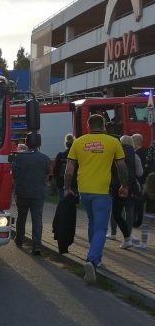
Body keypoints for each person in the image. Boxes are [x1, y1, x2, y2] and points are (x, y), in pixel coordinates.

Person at [64, 114, 128, 284]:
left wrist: (67, 188)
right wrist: (124, 186)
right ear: (104, 125)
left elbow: (69, 168)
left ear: (88, 126)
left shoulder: (78, 142)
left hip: (84, 190)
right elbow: (122, 167)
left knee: (93, 223)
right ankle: (91, 260)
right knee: (100, 227)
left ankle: (97, 258)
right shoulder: (113, 142)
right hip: (102, 190)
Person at [12, 133, 51, 254]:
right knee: (37, 218)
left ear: (26, 142)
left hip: (23, 191)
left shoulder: (19, 157)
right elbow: (47, 173)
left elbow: (15, 174)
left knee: (21, 217)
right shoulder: (44, 158)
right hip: (39, 192)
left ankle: (19, 240)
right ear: (39, 143)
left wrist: (21, 182)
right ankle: (37, 244)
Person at [108, 135, 143, 247]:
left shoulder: (115, 153)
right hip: (131, 186)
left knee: (115, 211)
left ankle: (113, 233)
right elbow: (140, 173)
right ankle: (129, 234)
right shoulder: (135, 155)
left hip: (117, 186)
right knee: (129, 210)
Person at [53, 134, 77, 201]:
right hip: (75, 184)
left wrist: (58, 183)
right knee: (74, 204)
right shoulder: (77, 156)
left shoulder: (60, 155)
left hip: (62, 185)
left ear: (65, 144)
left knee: (62, 203)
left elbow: (56, 170)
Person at [135, 172, 154, 250]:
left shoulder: (147, 191)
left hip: (148, 213)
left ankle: (143, 243)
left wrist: (134, 197)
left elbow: (141, 201)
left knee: (145, 228)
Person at [132, 134, 147, 227]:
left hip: (138, 179)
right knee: (140, 200)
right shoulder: (144, 152)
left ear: (136, 142)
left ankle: (135, 221)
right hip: (143, 179)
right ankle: (140, 220)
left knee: (136, 201)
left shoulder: (137, 154)